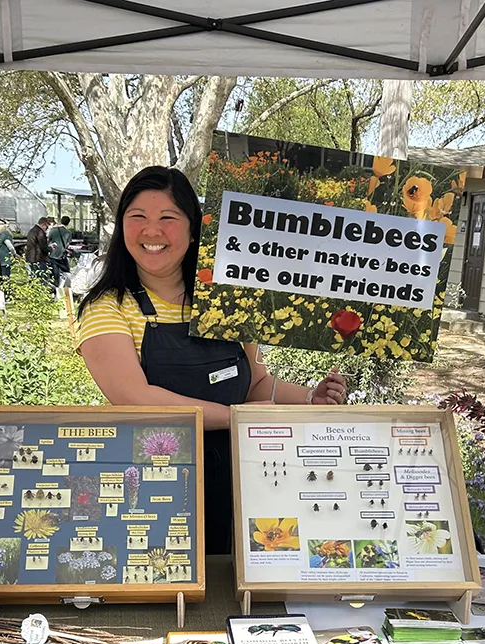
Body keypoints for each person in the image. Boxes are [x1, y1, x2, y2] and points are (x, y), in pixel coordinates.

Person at [76, 165, 346, 555]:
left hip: (243, 480)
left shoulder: (226, 301)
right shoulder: (108, 308)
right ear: (122, 227)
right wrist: (237, 416)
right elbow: (135, 397)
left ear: (192, 228)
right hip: (157, 490)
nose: (152, 231)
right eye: (137, 218)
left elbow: (254, 382)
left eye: (168, 218)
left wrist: (309, 398)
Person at [25, 215, 52, 283]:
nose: (47, 228)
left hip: (30, 257)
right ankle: (43, 291)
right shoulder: (40, 232)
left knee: (33, 277)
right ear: (43, 224)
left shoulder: (32, 230)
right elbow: (43, 247)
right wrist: (51, 248)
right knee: (43, 277)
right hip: (39, 258)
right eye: (47, 226)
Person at [48, 214, 73, 288]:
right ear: (68, 223)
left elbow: (49, 240)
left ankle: (55, 290)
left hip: (53, 255)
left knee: (55, 274)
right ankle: (66, 289)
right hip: (62, 256)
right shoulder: (68, 232)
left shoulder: (52, 230)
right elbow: (67, 245)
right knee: (66, 272)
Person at [0, 219, 17, 285]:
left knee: (5, 274)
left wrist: (14, 254)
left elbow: (10, 246)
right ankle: (1, 286)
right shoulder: (2, 235)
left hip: (5, 258)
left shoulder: (4, 235)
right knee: (2, 273)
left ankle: (5, 288)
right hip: (2, 258)